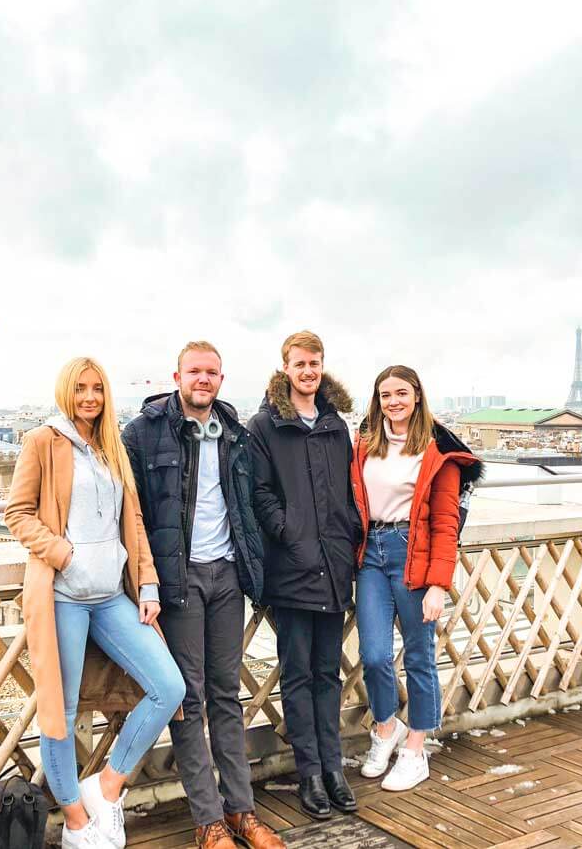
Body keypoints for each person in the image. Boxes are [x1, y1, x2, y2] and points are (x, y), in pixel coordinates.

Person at [5, 357, 186, 849]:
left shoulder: (113, 447)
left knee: (168, 686)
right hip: (63, 598)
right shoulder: (42, 441)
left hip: (112, 598)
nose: (90, 397)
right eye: (81, 388)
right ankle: (75, 820)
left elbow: (135, 524)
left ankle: (106, 787)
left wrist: (147, 584)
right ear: (67, 392)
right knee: (58, 713)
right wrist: (64, 555)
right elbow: (17, 514)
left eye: (97, 389)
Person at [122, 341, 284, 849]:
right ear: (177, 375)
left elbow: (253, 500)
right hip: (179, 581)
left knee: (226, 696)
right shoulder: (143, 433)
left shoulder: (236, 433)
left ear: (221, 379)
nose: (203, 380)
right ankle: (207, 821)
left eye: (212, 373)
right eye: (195, 371)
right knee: (188, 699)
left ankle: (241, 812)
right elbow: (129, 511)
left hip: (227, 576)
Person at [350, 365, 482, 791]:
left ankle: (416, 749)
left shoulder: (436, 451)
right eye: (385, 395)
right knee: (372, 654)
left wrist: (438, 584)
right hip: (371, 552)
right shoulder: (365, 443)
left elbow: (446, 523)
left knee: (420, 656)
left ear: (418, 396)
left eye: (401, 393)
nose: (394, 402)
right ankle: (386, 730)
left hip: (414, 553)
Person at [248, 331, 362, 820]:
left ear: (322, 366)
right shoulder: (265, 426)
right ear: (285, 367)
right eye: (300, 364)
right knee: (297, 676)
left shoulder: (338, 425)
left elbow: (350, 489)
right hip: (293, 569)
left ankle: (332, 767)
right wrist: (288, 531)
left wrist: (348, 532)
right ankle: (310, 772)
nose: (308, 371)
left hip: (334, 566)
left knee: (327, 675)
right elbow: (260, 492)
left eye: (315, 363)